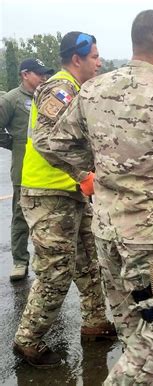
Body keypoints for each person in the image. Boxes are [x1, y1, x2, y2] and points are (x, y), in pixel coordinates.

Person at [47, 10, 153, 384]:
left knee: (131, 325)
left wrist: (92, 170)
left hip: (106, 232)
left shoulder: (92, 89)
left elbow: (53, 142)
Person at [13, 32, 116, 369]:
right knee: (56, 273)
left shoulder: (78, 90)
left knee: (89, 262)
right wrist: (83, 173)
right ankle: (27, 341)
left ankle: (95, 323)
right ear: (77, 59)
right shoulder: (60, 89)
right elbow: (45, 141)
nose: (99, 62)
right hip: (48, 194)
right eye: (95, 57)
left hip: (68, 193)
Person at [0, 58, 53, 281]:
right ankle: (20, 261)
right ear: (25, 74)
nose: (43, 77)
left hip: (48, 171)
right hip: (23, 171)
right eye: (38, 74)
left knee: (49, 220)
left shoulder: (48, 97)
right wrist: (15, 144)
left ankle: (45, 260)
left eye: (44, 74)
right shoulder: (11, 99)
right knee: (21, 217)